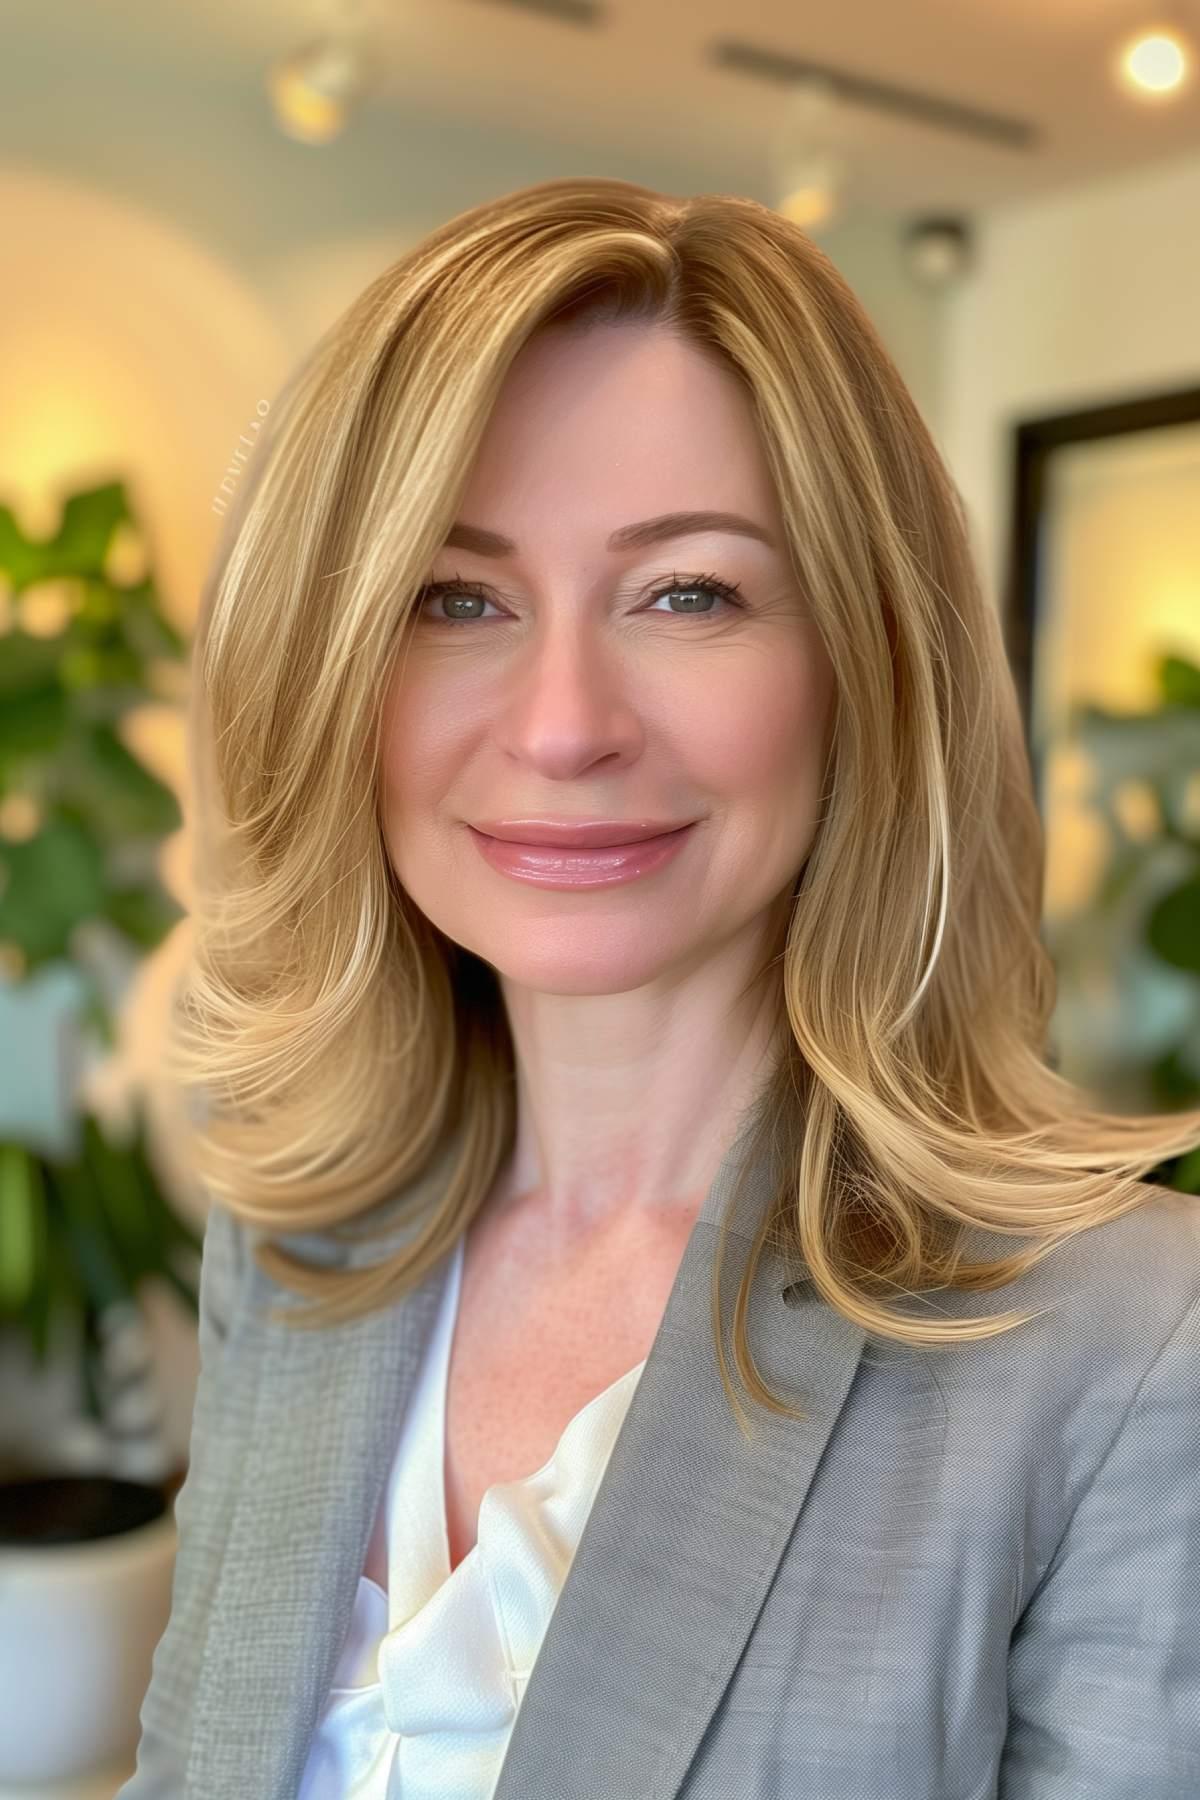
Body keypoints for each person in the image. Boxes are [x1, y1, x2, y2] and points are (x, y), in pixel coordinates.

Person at [118, 177, 1200, 1799]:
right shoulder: (299, 1238)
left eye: (688, 592)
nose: (563, 727)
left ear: (868, 663)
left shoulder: (1124, 1345)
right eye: (453, 597)